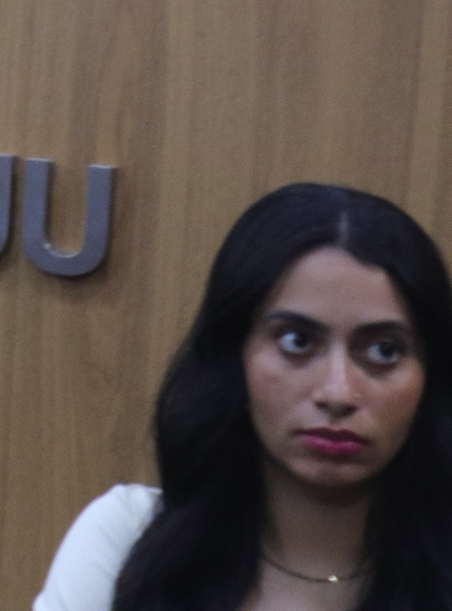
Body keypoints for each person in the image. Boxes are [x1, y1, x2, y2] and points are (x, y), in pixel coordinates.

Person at [36, 183, 452, 611]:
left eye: (384, 350)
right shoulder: (125, 538)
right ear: (233, 357)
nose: (338, 393)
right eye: (297, 341)